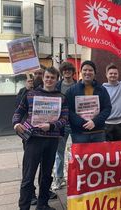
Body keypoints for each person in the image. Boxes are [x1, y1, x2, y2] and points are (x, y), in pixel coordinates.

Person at [13, 67, 68, 210]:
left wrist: (51, 126)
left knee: (46, 175)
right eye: (47, 77)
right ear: (43, 78)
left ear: (57, 80)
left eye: (53, 78)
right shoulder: (30, 94)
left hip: (51, 140)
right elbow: (19, 111)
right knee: (28, 175)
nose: (49, 80)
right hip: (33, 139)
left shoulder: (61, 97)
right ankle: (24, 206)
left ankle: (42, 204)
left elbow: (64, 119)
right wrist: (16, 123)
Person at [66, 60, 112, 143]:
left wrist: (95, 122)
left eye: (90, 70)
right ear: (80, 72)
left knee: (99, 155)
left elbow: (107, 108)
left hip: (98, 132)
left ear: (94, 73)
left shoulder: (102, 90)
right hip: (79, 133)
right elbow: (68, 110)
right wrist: (81, 123)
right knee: (81, 156)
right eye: (85, 70)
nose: (87, 72)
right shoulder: (71, 90)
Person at [50, 62, 77, 191]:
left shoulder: (79, 85)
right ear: (62, 72)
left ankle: (77, 177)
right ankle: (59, 178)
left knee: (77, 151)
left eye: (69, 70)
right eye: (65, 70)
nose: (67, 72)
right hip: (61, 123)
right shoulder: (57, 85)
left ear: (73, 72)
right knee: (59, 152)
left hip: (76, 123)